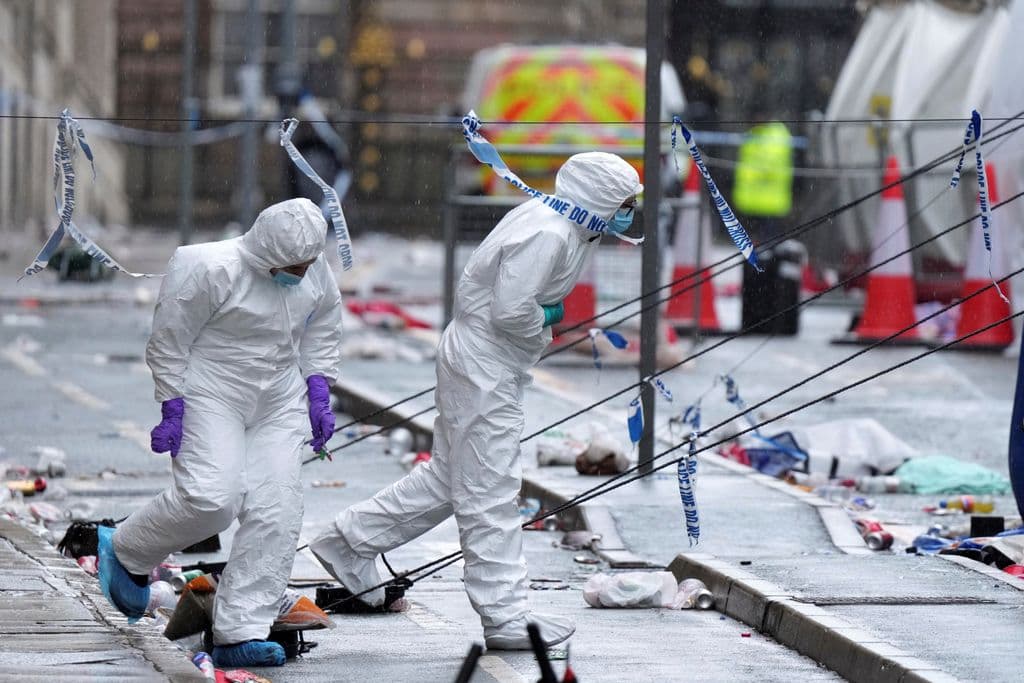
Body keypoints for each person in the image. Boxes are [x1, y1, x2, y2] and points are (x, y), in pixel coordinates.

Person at [310, 152, 641, 650]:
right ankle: (505, 616)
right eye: (624, 202)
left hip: (485, 359)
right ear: (599, 198)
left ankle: (347, 542)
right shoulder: (549, 233)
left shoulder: (567, 227)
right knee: (490, 489)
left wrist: (538, 320)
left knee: (450, 478)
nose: (629, 212)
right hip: (485, 361)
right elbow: (511, 312)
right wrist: (547, 317)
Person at [97, 198, 343, 668]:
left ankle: (240, 630)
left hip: (277, 397)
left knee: (278, 507)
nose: (302, 272)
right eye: (293, 265)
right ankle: (127, 548)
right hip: (213, 390)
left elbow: (324, 324)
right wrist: (172, 403)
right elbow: (170, 338)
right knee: (212, 498)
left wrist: (317, 386)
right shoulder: (207, 266)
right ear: (268, 252)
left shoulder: (313, 270)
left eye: (308, 264)